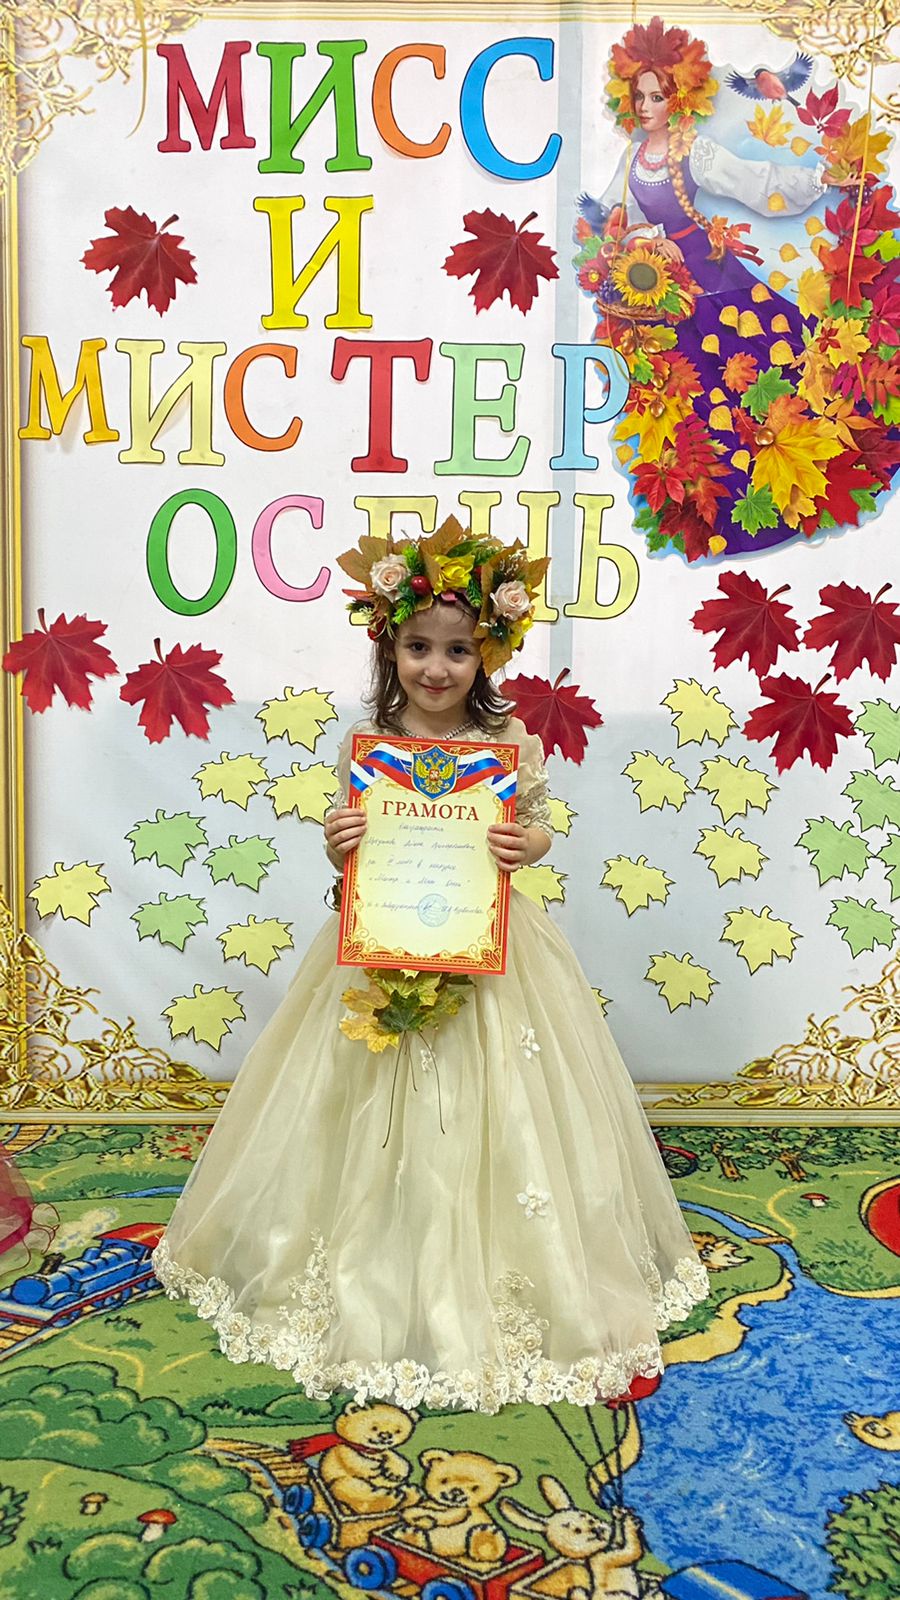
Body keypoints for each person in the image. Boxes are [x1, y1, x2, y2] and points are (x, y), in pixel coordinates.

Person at [153, 522, 709, 1413]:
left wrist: (524, 843)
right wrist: (340, 841)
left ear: (488, 652)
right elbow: (352, 849)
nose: (437, 669)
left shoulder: (509, 738)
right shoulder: (370, 740)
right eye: (418, 648)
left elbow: (538, 825)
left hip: (489, 952)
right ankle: (363, 1251)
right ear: (390, 647)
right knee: (358, 1099)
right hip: (381, 947)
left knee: (501, 1106)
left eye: (457, 650)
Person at [576, 16, 867, 561]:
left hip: (715, 281)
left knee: (760, 372)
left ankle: (800, 478)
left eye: (657, 96)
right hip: (667, 291)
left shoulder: (693, 151)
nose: (646, 107)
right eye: (639, 97)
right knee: (696, 396)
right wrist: (644, 238)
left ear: (679, 98)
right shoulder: (632, 159)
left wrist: (817, 179)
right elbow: (616, 216)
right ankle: (720, 505)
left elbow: (756, 183)